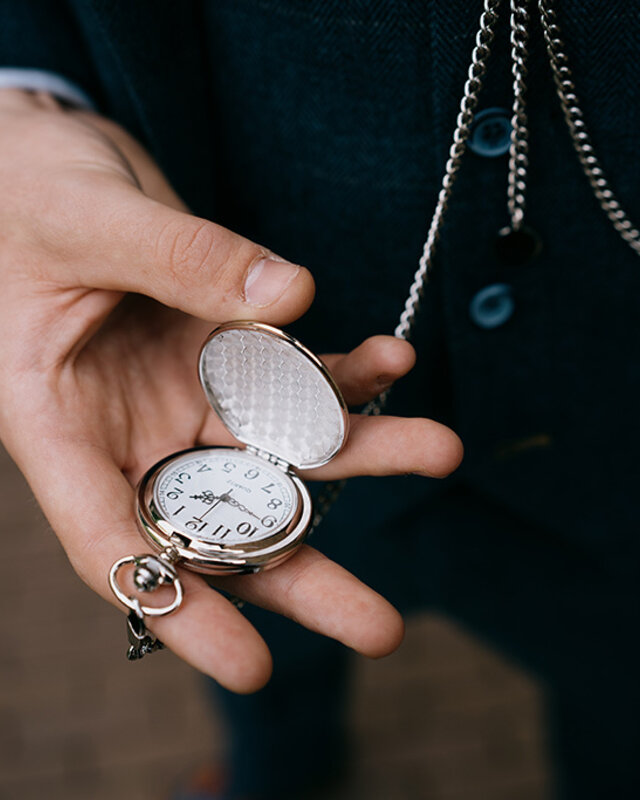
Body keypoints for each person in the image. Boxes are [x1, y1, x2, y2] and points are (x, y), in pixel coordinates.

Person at [0, 2, 638, 798]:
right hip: (235, 335)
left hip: (610, 438)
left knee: (622, 701)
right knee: (264, 658)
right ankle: (274, 774)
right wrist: (18, 104)